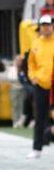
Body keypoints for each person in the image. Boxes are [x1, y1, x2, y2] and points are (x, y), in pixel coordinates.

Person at [27, 15, 54, 158]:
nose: (45, 27)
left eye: (48, 25)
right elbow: (31, 63)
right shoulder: (36, 43)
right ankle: (37, 148)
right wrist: (33, 76)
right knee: (39, 117)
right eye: (43, 25)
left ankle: (48, 136)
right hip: (41, 84)